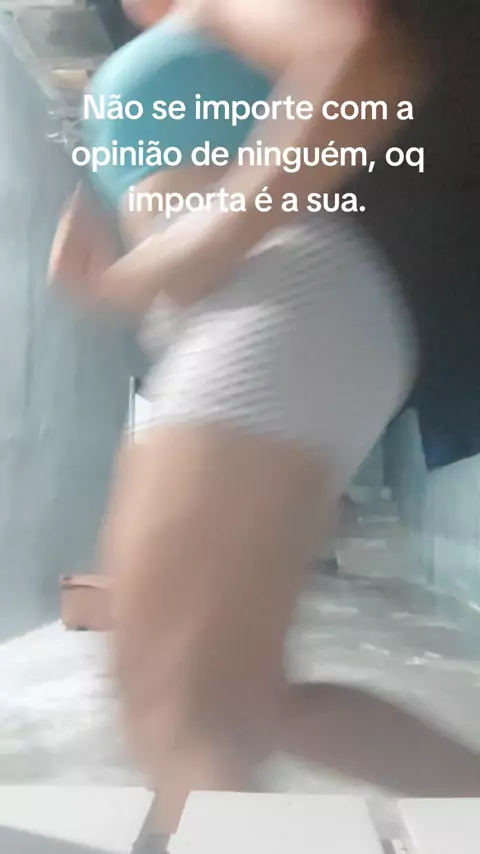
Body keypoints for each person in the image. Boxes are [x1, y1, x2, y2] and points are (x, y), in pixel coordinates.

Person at [50, 0, 480, 840]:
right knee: (243, 700)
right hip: (253, 324)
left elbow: (370, 59)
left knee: (180, 706)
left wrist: (196, 245)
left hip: (273, 304)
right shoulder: (159, 53)